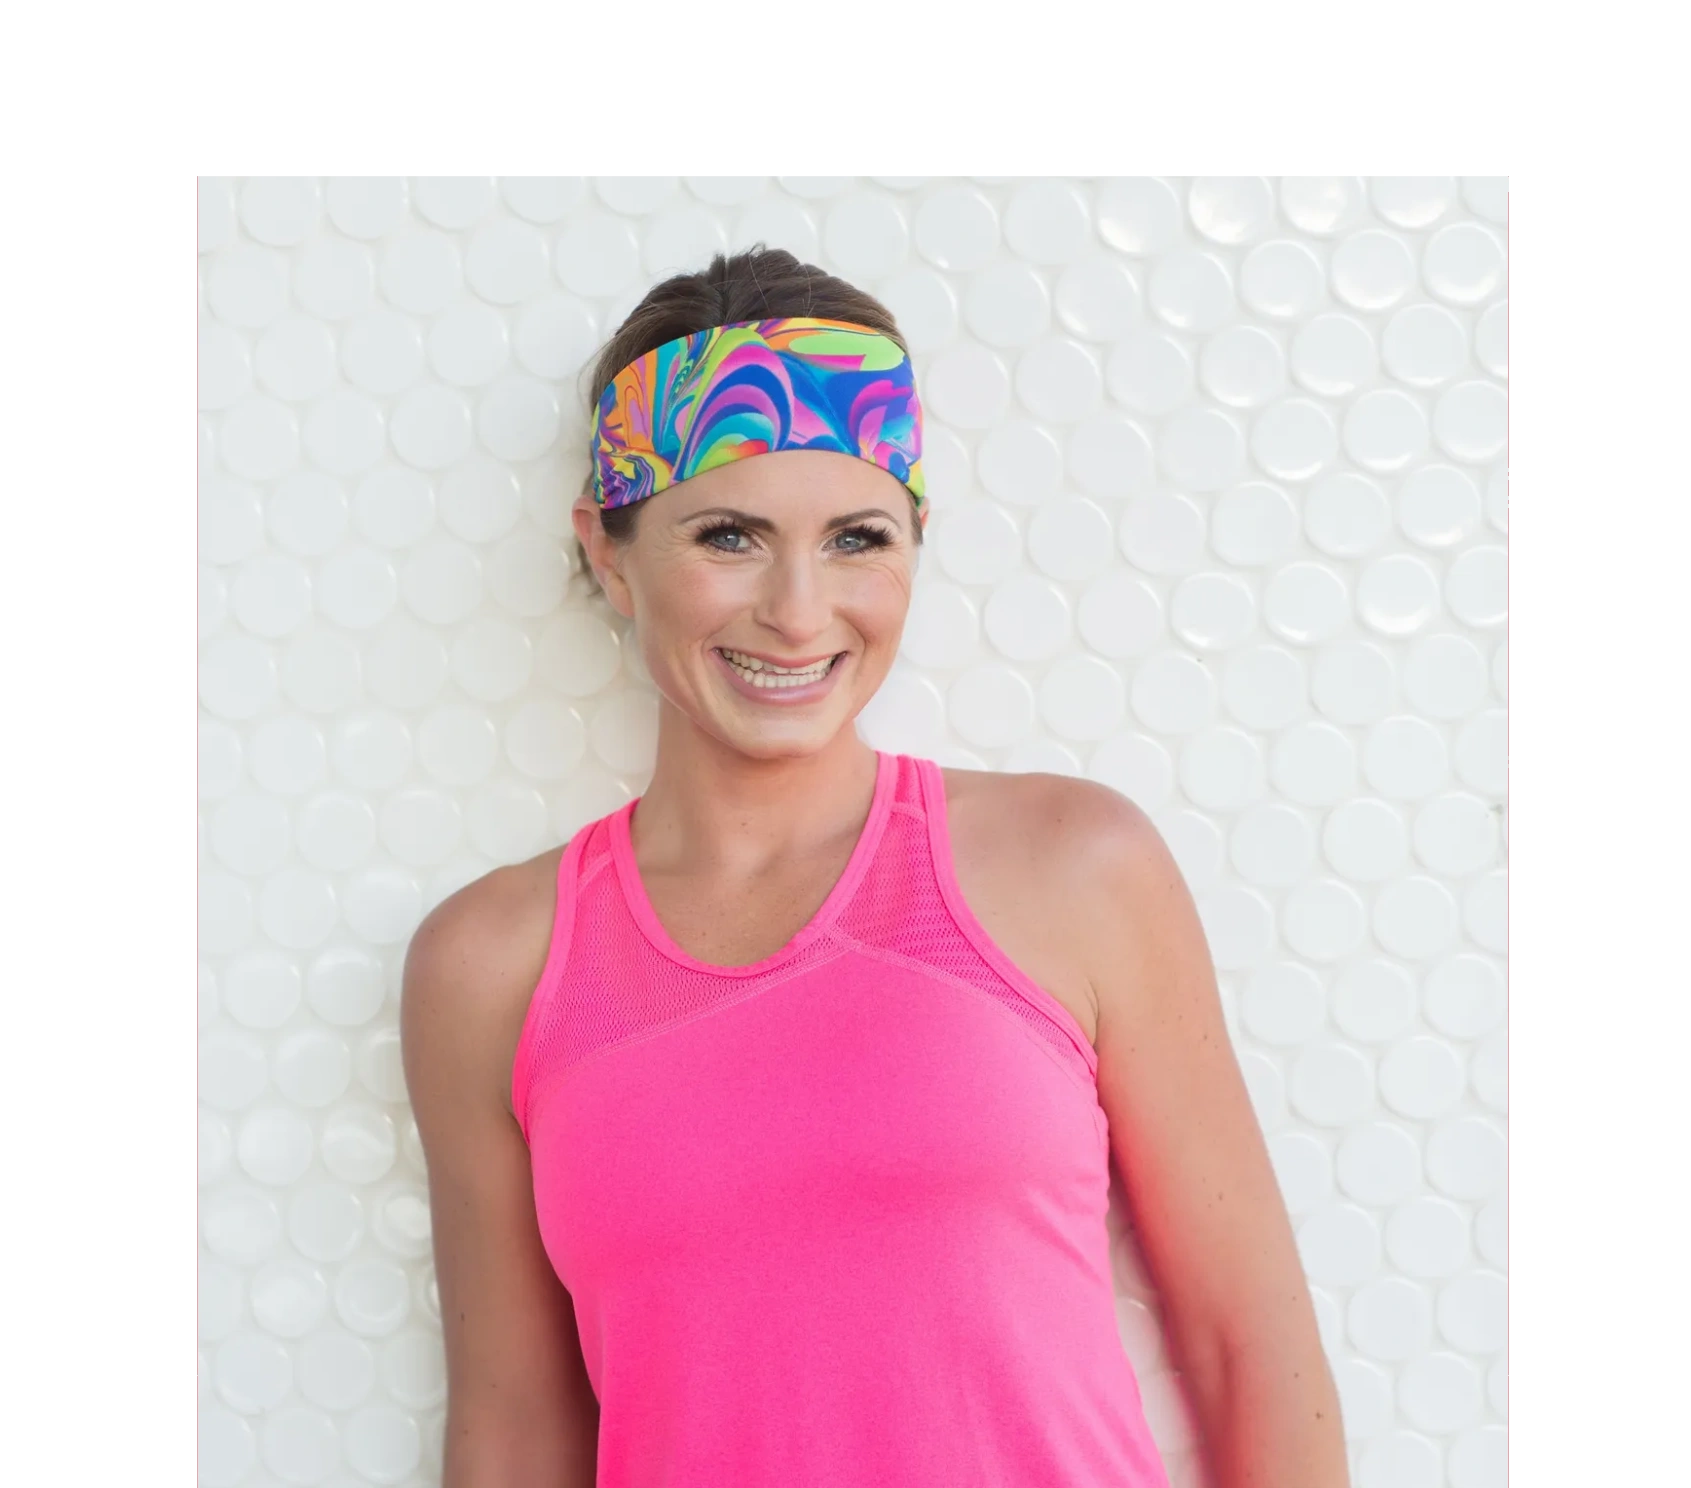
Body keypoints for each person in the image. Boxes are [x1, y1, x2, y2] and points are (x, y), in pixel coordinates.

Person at [402, 249, 1349, 1488]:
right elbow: (516, 1434)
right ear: (608, 552)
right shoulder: (491, 965)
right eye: (728, 535)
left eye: (856, 537)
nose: (800, 611)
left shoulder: (1073, 871)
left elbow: (1248, 1353)